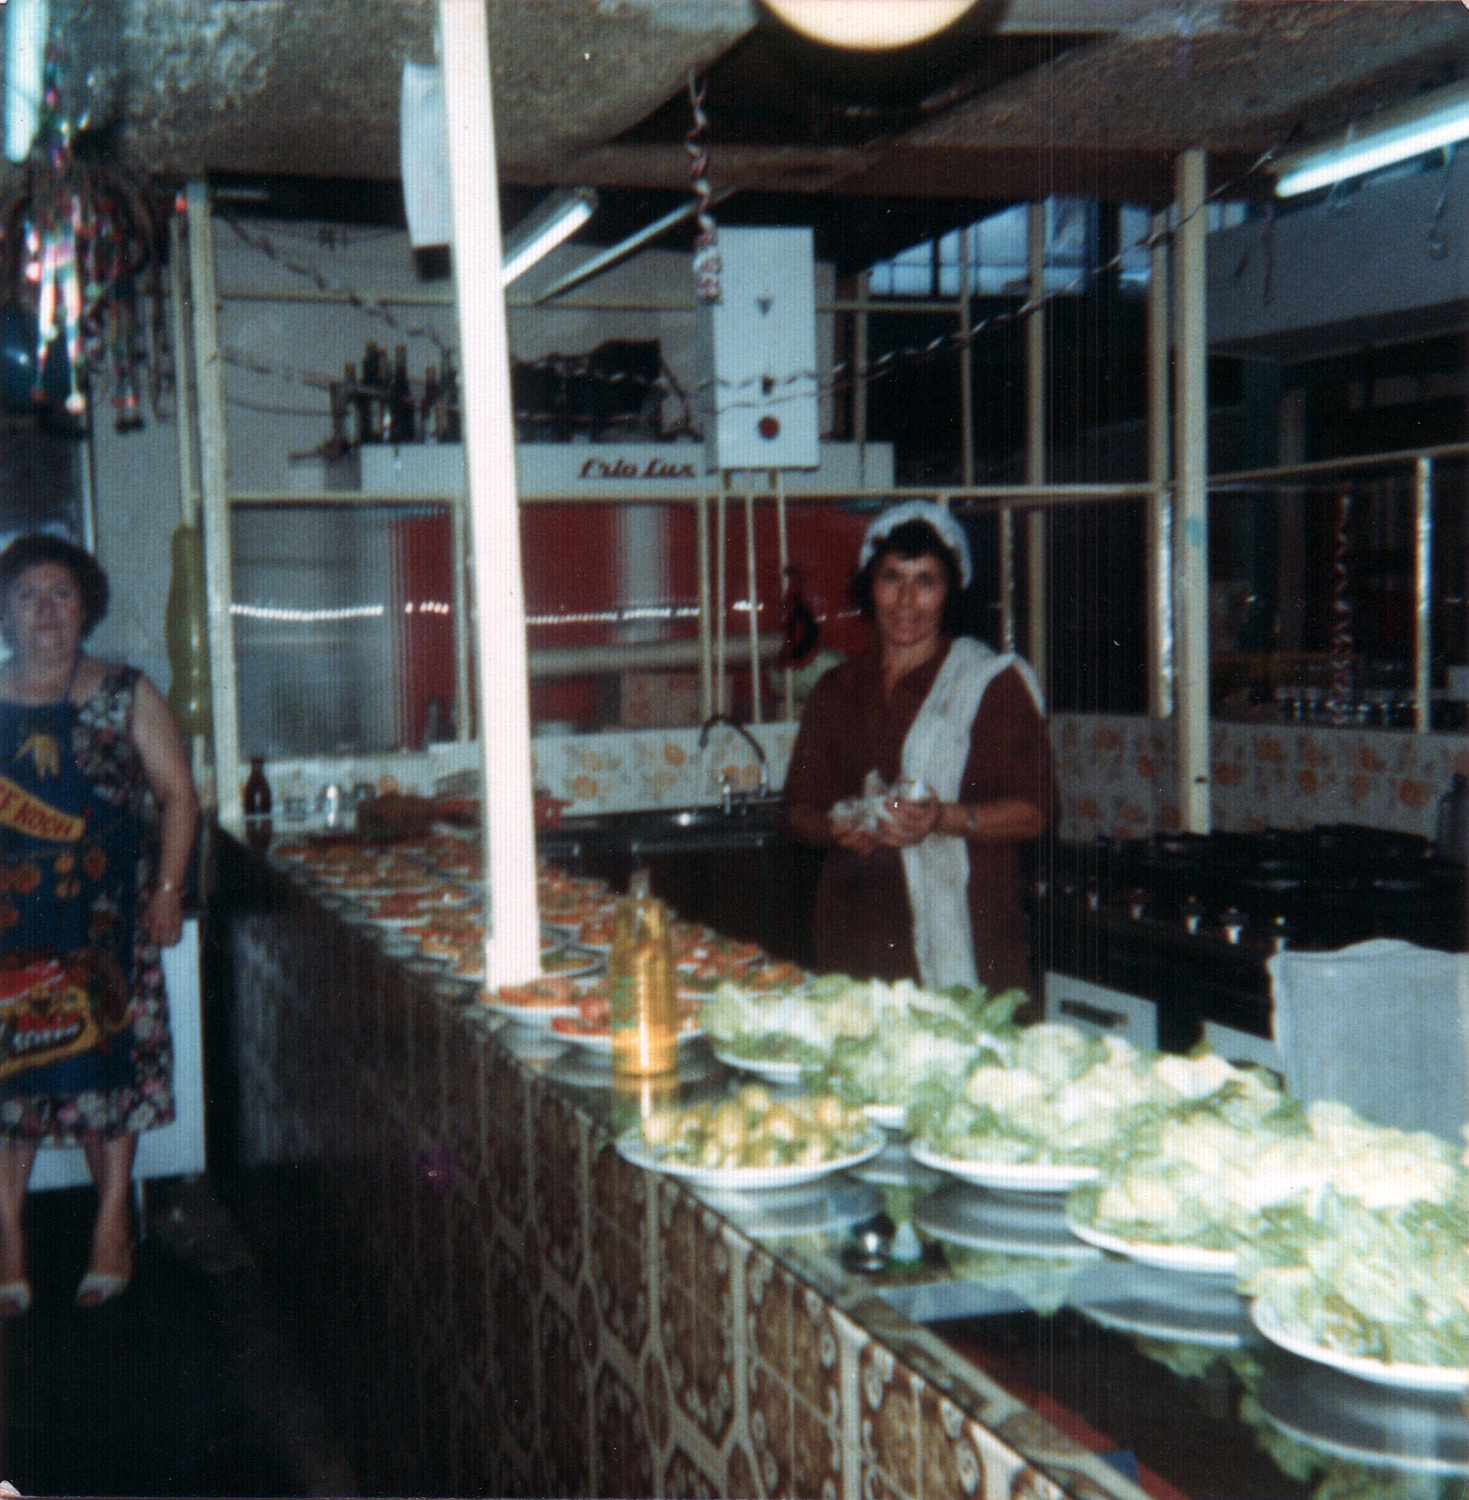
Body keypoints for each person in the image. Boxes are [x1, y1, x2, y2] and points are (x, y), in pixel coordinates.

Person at [0, 534, 198, 1312]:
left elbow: (178, 796)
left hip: (106, 924)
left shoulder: (127, 692)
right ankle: (7, 1234)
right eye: (27, 595)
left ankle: (112, 1223)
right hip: (9, 927)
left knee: (111, 1074)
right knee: (8, 1079)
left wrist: (170, 890)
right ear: (6, 613)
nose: (45, 611)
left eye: (61, 594)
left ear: (85, 607)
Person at [782, 501, 1053, 1014]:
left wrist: (941, 819)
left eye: (926, 580)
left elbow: (1036, 811)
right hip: (856, 943)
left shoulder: (990, 683)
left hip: (970, 946)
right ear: (869, 586)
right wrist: (833, 827)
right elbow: (797, 810)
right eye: (892, 578)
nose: (907, 599)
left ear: (950, 592)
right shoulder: (836, 689)